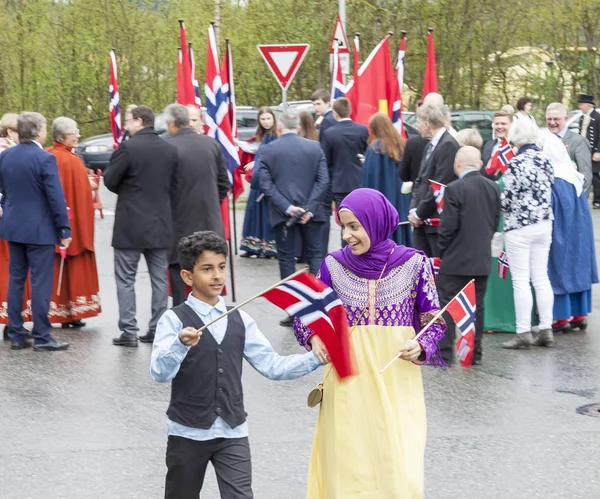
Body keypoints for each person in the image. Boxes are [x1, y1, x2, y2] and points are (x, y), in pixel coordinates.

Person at [293, 189, 446, 498]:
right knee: (351, 469)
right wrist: (316, 336)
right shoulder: (333, 265)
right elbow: (305, 316)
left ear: (376, 223)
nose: (347, 235)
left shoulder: (415, 263)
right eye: (343, 226)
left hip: (397, 381)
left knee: (402, 472)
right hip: (348, 380)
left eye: (354, 226)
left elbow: (435, 322)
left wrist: (421, 346)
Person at [151, 231, 322, 499]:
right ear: (187, 276)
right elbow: (160, 373)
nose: (218, 276)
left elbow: (272, 365)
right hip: (187, 433)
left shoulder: (240, 318)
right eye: (207, 269)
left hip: (233, 431)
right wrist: (180, 344)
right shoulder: (174, 320)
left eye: (221, 267)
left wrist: (315, 358)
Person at [104, 106, 178, 347]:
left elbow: (110, 180)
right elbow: (174, 186)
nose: (125, 124)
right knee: (159, 279)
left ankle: (129, 331)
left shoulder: (128, 148)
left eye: (128, 120)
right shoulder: (169, 149)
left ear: (138, 121)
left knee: (126, 279)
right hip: (160, 224)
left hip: (130, 225)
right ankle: (157, 327)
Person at [0, 112, 71, 351]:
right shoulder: (44, 158)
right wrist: (64, 227)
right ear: (39, 131)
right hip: (40, 229)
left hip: (13, 226)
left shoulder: (6, 156)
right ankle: (42, 335)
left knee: (16, 280)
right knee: (41, 282)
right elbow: (55, 197)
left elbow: (3, 191)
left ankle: (17, 333)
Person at [258, 112, 329, 325]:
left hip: (283, 214)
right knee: (315, 256)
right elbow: (323, 181)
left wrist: (288, 208)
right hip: (311, 213)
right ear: (298, 127)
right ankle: (318, 306)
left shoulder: (268, 150)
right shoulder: (314, 148)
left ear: (279, 127)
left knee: (286, 259)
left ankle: (294, 309)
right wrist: (308, 208)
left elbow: (265, 184)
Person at [436, 147, 500, 364]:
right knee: (477, 307)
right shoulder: (493, 187)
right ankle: (475, 352)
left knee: (445, 303)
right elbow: (493, 221)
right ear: (479, 164)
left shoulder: (454, 188)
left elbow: (448, 227)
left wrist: (440, 252)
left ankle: (444, 353)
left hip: (455, 260)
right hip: (481, 259)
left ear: (457, 163)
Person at [163, 104, 229, 311]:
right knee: (211, 272)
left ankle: (182, 321)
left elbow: (163, 187)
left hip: (177, 222)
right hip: (210, 221)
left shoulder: (166, 146)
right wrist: (209, 203)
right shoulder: (211, 144)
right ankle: (211, 319)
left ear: (172, 123)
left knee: (179, 274)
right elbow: (223, 184)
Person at [501, 119, 554, 349]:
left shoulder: (516, 163)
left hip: (520, 227)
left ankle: (523, 332)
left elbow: (508, 200)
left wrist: (497, 202)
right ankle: (546, 328)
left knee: (520, 280)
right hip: (544, 224)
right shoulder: (545, 159)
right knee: (541, 277)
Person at [540, 129, 598, 335]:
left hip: (562, 230)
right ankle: (580, 314)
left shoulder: (553, 179)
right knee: (578, 266)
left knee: (559, 266)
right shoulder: (572, 175)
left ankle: (560, 315)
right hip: (579, 231)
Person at [46, 117, 101, 327]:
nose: (78, 135)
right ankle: (72, 313)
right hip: (71, 223)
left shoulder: (48, 156)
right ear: (62, 136)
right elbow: (80, 196)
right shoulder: (72, 161)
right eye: (74, 132)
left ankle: (55, 311)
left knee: (54, 268)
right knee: (72, 266)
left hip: (51, 223)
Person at [409, 103, 459, 257]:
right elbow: (420, 180)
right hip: (422, 220)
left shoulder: (448, 145)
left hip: (435, 223)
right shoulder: (430, 145)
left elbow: (439, 185)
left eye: (418, 122)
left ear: (427, 124)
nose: (417, 127)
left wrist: (419, 214)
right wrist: (413, 209)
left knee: (435, 270)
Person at [321, 97, 369, 243]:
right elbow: (366, 153)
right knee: (360, 220)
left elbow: (325, 160)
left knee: (345, 222)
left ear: (335, 113)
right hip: (359, 181)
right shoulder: (362, 130)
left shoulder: (329, 133)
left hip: (339, 183)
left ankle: (346, 253)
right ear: (350, 111)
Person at [360, 112, 411, 245]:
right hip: (401, 203)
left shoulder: (375, 148)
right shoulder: (402, 145)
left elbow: (368, 180)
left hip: (382, 206)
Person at [239, 107, 278, 258]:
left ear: (273, 119)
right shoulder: (262, 135)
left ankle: (268, 248)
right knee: (253, 211)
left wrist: (257, 163)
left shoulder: (275, 136)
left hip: (268, 179)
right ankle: (252, 246)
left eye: (268, 118)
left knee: (266, 214)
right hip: (258, 180)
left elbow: (272, 155)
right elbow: (255, 149)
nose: (266, 122)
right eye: (263, 119)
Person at [546, 102, 592, 194]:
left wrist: (578, 202)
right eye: (549, 119)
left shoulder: (578, 141)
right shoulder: (543, 140)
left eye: (556, 119)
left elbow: (585, 176)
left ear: (565, 119)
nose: (552, 122)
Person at [312, 89, 337, 257]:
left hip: (328, 172)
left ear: (328, 103)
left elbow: (324, 152)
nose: (316, 107)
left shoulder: (327, 121)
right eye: (314, 104)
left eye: (319, 104)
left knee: (325, 213)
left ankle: (321, 252)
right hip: (335, 173)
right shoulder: (327, 119)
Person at [577, 94, 600, 206]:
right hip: (583, 150)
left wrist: (598, 151)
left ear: (588, 105)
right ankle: (583, 197)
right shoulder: (582, 117)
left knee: (594, 175)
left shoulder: (597, 117)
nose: (580, 106)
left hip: (593, 151)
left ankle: (597, 200)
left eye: (581, 104)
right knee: (583, 174)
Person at [400, 100, 428, 187]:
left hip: (418, 191)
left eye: (419, 122)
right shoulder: (449, 141)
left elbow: (403, 174)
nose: (418, 126)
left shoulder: (413, 143)